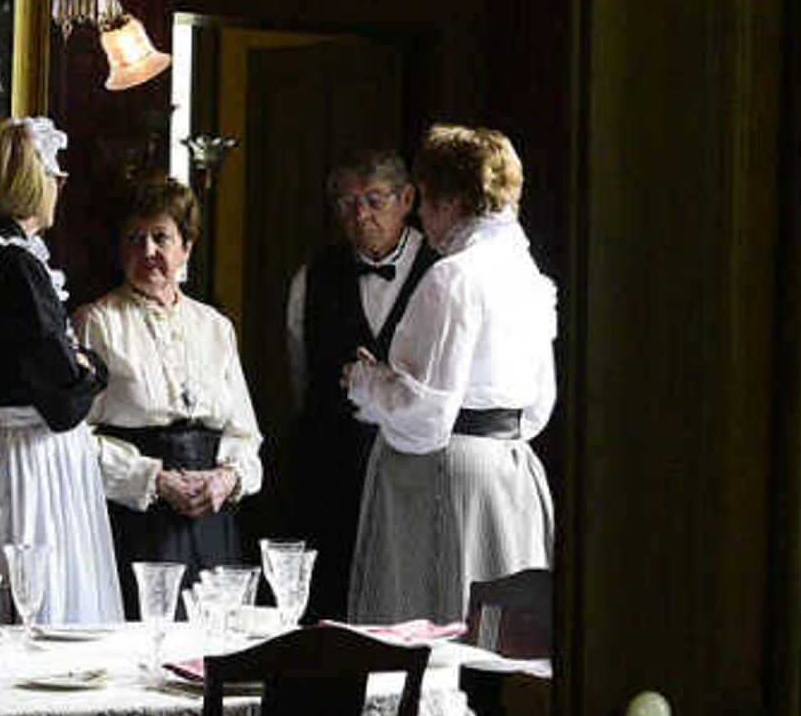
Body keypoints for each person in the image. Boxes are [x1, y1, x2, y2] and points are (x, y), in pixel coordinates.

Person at [343, 123, 555, 628]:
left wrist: (365, 381)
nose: (421, 215)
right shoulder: (528, 276)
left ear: (449, 199)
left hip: (444, 477)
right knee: (498, 643)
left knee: (430, 638)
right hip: (509, 471)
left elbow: (425, 414)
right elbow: (538, 405)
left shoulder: (453, 276)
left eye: (426, 200)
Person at [0, 115, 123, 625]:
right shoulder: (14, 264)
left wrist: (78, 363)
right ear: (24, 179)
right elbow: (64, 396)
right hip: (29, 468)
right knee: (38, 610)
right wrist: (95, 367)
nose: (60, 181)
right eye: (52, 168)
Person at [74, 177, 265, 609]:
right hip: (137, 519)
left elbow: (245, 434)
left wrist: (229, 478)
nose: (148, 252)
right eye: (134, 239)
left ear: (186, 248)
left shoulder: (216, 327)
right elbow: (72, 441)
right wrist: (152, 478)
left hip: (213, 515)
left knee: (214, 647)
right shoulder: (96, 322)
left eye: (161, 237)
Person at [275, 146, 427, 627]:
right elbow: (302, 380)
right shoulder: (313, 279)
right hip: (333, 483)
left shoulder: (442, 272)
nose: (360, 215)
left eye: (374, 200)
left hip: (415, 483)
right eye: (346, 203)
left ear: (406, 199)